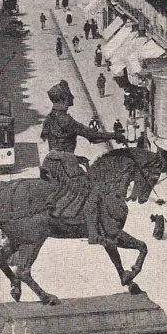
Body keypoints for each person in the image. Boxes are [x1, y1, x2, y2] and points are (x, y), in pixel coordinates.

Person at [40, 81, 124, 245]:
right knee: (92, 190)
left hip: (50, 160)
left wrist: (77, 158)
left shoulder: (50, 117)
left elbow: (56, 143)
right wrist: (115, 136)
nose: (72, 97)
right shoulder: (65, 120)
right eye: (69, 95)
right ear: (64, 99)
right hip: (64, 163)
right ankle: (93, 233)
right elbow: (92, 136)